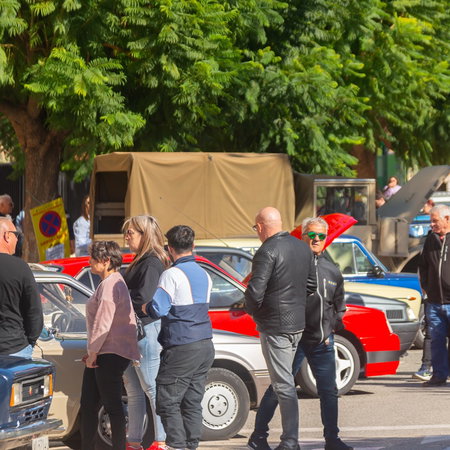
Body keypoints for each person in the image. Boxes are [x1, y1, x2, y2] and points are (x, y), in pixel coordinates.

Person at [247, 216, 352, 450]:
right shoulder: (291, 259)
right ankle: (258, 435)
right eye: (311, 235)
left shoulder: (332, 270)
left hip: (322, 339)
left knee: (328, 392)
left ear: (326, 239)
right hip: (294, 337)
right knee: (280, 387)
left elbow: (338, 305)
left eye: (320, 236)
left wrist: (331, 327)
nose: (315, 240)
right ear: (302, 236)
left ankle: (332, 439)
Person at [245, 207, 316, 450]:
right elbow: (311, 285)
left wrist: (256, 313)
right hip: (296, 324)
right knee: (283, 382)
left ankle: (290, 441)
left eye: (256, 228)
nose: (257, 232)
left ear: (261, 226)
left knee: (283, 384)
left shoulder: (267, 250)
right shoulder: (301, 247)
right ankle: (277, 438)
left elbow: (255, 293)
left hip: (275, 326)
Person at [142, 225, 214, 450]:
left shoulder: (171, 274)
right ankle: (191, 445)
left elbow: (158, 308)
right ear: (193, 246)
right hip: (205, 344)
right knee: (192, 401)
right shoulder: (205, 273)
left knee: (167, 401)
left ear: (169, 248)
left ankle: (178, 446)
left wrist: (144, 307)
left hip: (182, 346)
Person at [80, 241, 140, 450]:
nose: (89, 263)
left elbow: (103, 322)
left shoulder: (110, 285)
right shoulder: (110, 282)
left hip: (109, 352)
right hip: (103, 352)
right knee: (88, 405)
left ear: (106, 262)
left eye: (93, 260)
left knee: (112, 406)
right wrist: (92, 353)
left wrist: (93, 353)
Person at [122, 215, 170, 450]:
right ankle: (133, 441)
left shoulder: (151, 262)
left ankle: (160, 440)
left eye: (130, 232)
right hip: (133, 331)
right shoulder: (141, 260)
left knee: (150, 387)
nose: (126, 237)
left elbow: (144, 298)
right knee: (134, 389)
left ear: (144, 234)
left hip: (146, 331)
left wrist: (120, 299)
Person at [0, 217, 42, 358]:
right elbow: (34, 312)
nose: (17, 240)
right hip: (15, 348)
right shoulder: (21, 268)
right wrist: (30, 342)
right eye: (16, 235)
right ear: (6, 236)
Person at [418, 204, 450, 387]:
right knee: (436, 340)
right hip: (435, 301)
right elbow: (423, 266)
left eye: (435, 220)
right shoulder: (430, 240)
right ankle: (438, 375)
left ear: (447, 219)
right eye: (431, 221)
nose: (431, 224)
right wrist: (426, 288)